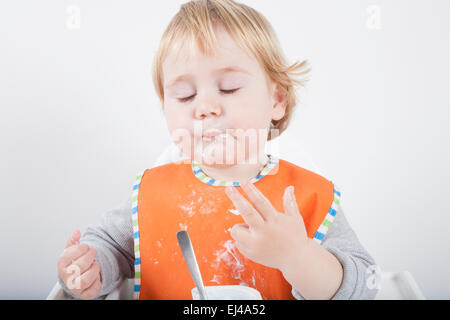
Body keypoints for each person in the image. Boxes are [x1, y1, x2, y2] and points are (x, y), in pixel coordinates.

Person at [57, 0, 379, 300]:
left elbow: (367, 284)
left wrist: (299, 258)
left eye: (229, 88)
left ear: (277, 100)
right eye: (184, 96)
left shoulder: (307, 199)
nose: (205, 107)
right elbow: (111, 246)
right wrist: (88, 271)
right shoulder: (152, 194)